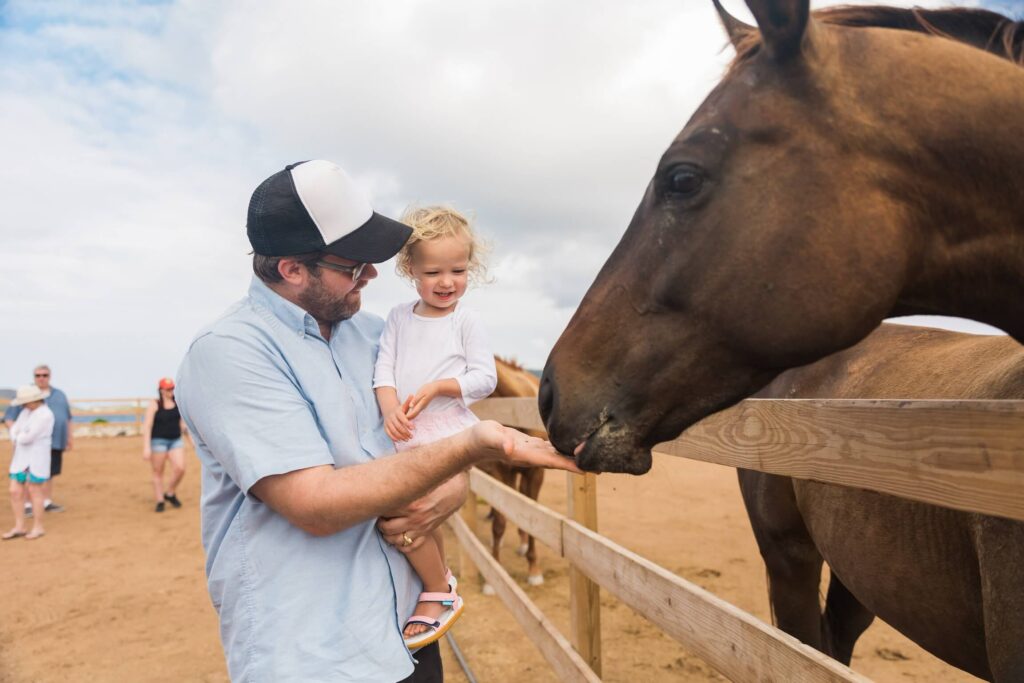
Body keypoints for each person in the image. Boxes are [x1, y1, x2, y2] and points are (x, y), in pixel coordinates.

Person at [176, 160, 580, 682]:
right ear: (292, 269)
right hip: (312, 651)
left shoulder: (374, 334)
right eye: (353, 265)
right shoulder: (229, 353)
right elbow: (315, 504)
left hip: (403, 626)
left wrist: (454, 483)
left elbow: (431, 437)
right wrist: (467, 452)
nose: (371, 274)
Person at [373, 205, 496, 647]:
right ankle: (438, 584)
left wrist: (441, 386)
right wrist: (390, 410)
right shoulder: (398, 318)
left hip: (444, 431)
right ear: (410, 270)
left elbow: (485, 378)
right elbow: (384, 371)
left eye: (458, 270)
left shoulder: (466, 321)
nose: (447, 282)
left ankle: (438, 591)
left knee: (407, 514)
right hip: (405, 430)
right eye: (433, 271)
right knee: (421, 518)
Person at [3, 365, 73, 514]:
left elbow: (67, 417)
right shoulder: (25, 396)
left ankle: (46, 502)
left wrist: (69, 437)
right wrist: (16, 436)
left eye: (45, 375)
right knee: (29, 475)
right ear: (34, 377)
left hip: (54, 441)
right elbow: (9, 418)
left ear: (49, 376)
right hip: (30, 445)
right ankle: (28, 505)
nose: (41, 378)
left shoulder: (59, 395)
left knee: (49, 472)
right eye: (38, 375)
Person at [3, 385, 55, 540]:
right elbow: (15, 430)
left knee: (34, 491)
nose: (23, 405)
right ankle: (19, 526)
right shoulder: (25, 412)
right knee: (15, 490)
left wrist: (19, 435)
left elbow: (27, 437)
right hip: (21, 457)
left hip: (37, 458)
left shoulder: (45, 414)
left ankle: (38, 527)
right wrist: (19, 435)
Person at [141, 377, 189, 512]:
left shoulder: (177, 403)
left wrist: (191, 442)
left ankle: (170, 492)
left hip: (175, 440)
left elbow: (183, 425)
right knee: (158, 472)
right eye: (168, 389)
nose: (171, 391)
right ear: (161, 390)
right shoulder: (155, 404)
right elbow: (148, 425)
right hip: (158, 442)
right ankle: (160, 500)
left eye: (173, 388)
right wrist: (146, 447)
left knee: (180, 468)